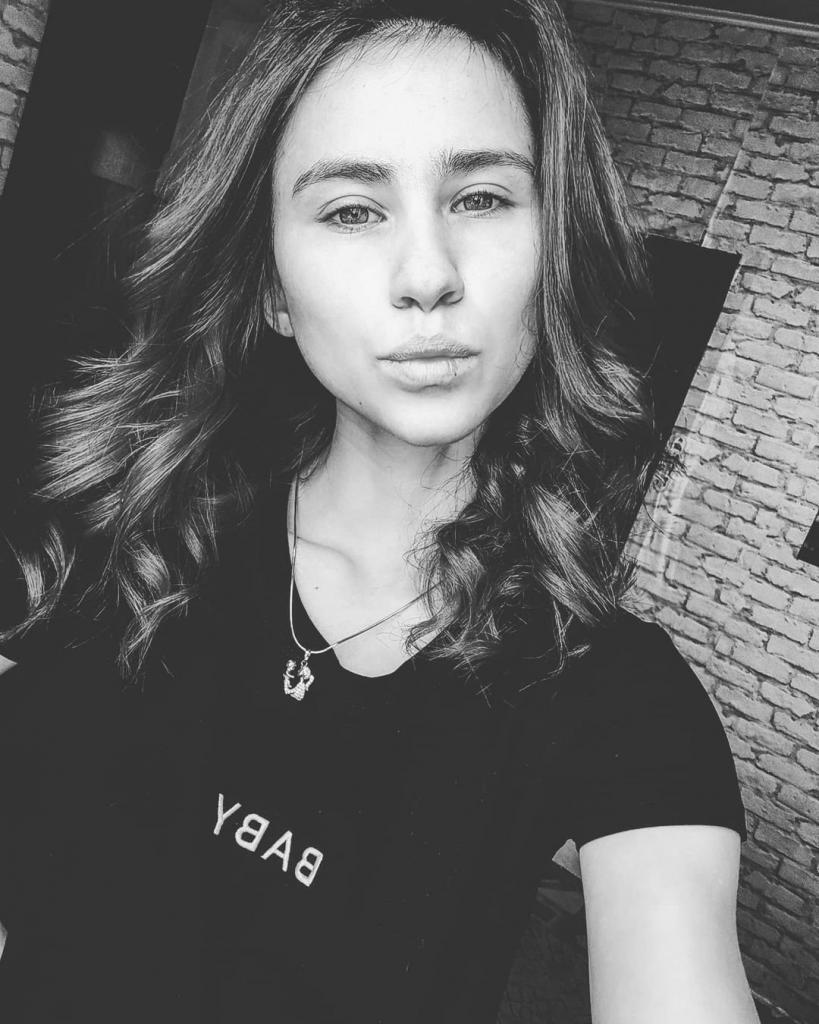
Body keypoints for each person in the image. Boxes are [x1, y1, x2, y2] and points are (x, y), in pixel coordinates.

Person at [0, 1, 758, 1022]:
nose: (428, 276)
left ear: (555, 255)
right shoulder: (111, 537)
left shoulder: (617, 697)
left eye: (482, 197)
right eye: (353, 209)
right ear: (272, 289)